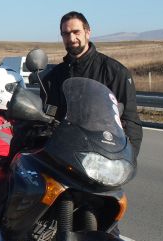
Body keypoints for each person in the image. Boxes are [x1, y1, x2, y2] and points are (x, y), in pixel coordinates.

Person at [40, 11, 143, 157]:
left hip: (102, 155)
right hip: (63, 154)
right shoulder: (53, 77)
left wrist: (128, 158)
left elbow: (130, 121)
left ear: (87, 32)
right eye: (66, 34)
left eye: (76, 32)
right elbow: (47, 118)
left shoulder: (114, 72)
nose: (71, 38)